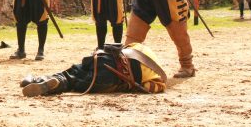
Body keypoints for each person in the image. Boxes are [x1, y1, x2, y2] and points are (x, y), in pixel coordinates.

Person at [20, 43, 166, 96]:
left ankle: (40, 79)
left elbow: (122, 49)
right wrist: (129, 87)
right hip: (113, 81)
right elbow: (149, 88)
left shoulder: (139, 48)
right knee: (75, 82)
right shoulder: (157, 78)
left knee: (73, 72)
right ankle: (52, 83)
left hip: (102, 60)